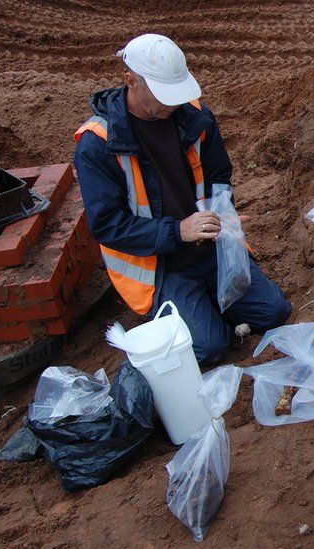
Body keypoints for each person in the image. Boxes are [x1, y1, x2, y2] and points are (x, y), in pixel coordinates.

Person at [74, 34, 291, 366]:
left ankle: (209, 309)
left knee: (274, 311)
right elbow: (107, 225)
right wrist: (178, 231)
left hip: (212, 247)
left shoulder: (194, 117)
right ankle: (202, 315)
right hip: (161, 266)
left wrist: (222, 210)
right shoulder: (98, 144)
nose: (171, 105)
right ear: (130, 81)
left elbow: (218, 173)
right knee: (210, 347)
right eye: (163, 96)